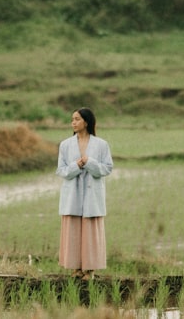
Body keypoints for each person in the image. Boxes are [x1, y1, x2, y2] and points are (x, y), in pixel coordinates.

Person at [56, 107, 113, 281]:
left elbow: (107, 168)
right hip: (72, 195)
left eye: (77, 119)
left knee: (90, 231)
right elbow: (61, 170)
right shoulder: (65, 145)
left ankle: (90, 270)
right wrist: (77, 166)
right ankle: (76, 268)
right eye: (72, 119)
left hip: (92, 196)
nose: (73, 122)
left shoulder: (101, 144)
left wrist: (90, 163)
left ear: (86, 122)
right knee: (72, 229)